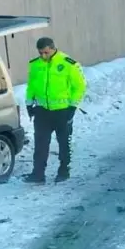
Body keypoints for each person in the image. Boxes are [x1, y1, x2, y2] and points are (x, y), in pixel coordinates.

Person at [24, 37, 87, 184]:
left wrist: (73, 106)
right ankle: (38, 174)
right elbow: (31, 85)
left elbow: (80, 86)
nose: (43, 56)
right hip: (42, 111)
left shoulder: (68, 63)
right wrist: (29, 104)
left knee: (64, 143)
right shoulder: (35, 64)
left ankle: (64, 171)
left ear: (52, 48)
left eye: (46, 52)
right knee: (40, 144)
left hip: (62, 111)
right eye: (40, 53)